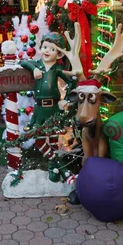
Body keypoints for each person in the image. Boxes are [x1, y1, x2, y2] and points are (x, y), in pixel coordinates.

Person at [20, 31, 79, 182]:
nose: (47, 51)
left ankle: (54, 170)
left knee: (53, 140)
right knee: (39, 139)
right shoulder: (37, 65)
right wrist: (33, 69)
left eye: (52, 49)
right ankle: (60, 166)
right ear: (40, 48)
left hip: (53, 108)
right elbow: (21, 63)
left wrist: (65, 99)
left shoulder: (57, 69)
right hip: (40, 109)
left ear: (58, 54)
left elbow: (72, 82)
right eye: (45, 47)